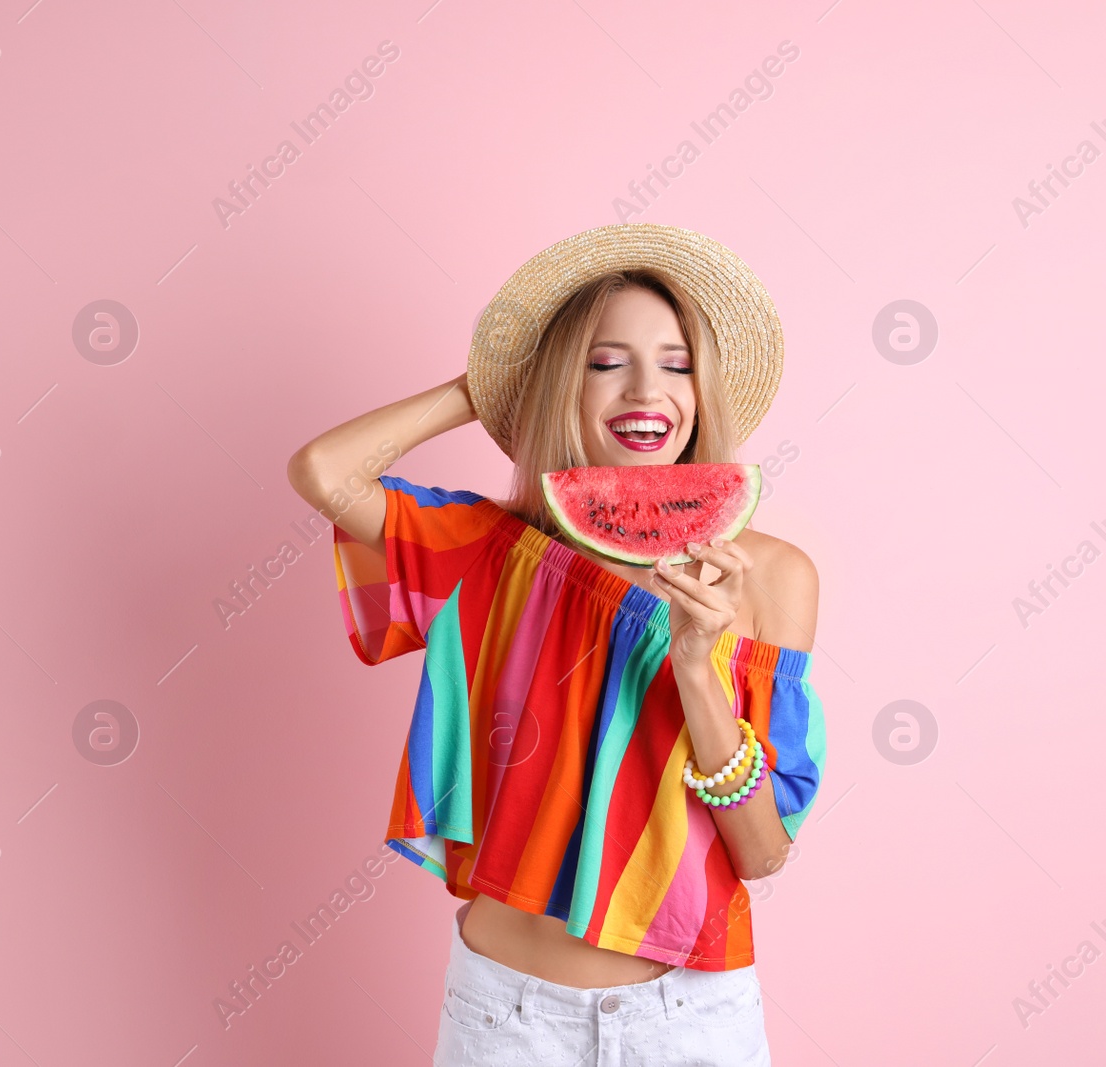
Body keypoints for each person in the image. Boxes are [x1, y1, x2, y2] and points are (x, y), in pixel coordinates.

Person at [287, 223, 826, 1065]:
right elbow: (325, 471)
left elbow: (762, 852)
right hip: (506, 1017)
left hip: (691, 1022)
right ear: (561, 385)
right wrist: (487, 385)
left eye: (677, 363)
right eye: (603, 362)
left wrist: (695, 665)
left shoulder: (769, 575)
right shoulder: (490, 552)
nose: (646, 389)